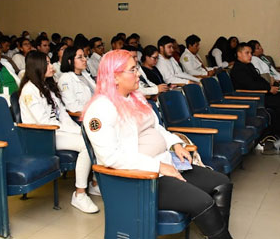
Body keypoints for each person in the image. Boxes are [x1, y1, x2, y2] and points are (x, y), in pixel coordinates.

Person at [83, 50, 234, 239]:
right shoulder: (101, 109)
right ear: (115, 77)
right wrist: (158, 166)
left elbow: (158, 129)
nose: (138, 73)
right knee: (203, 201)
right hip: (142, 178)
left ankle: (216, 234)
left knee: (222, 183)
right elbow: (110, 157)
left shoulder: (135, 97)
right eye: (132, 70)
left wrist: (175, 144)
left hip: (165, 164)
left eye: (136, 68)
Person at [18, 51, 100, 214]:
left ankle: (95, 184)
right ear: (37, 67)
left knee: (94, 137)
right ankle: (80, 194)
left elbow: (62, 114)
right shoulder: (29, 91)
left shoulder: (47, 85)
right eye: (47, 64)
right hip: (43, 136)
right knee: (86, 145)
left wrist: (79, 130)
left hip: (57, 130)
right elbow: (44, 122)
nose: (51, 66)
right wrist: (74, 133)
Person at [230, 42, 280, 137]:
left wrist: (270, 87)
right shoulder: (238, 69)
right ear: (239, 54)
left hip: (259, 93)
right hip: (250, 97)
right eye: (247, 53)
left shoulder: (248, 65)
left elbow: (259, 80)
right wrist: (269, 89)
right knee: (279, 101)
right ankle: (278, 132)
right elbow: (251, 85)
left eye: (251, 53)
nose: (250, 56)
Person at [57, 47, 96, 114]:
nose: (85, 59)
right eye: (80, 57)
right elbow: (72, 106)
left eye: (84, 56)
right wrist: (94, 109)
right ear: (70, 61)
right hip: (83, 115)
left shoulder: (85, 74)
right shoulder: (65, 79)